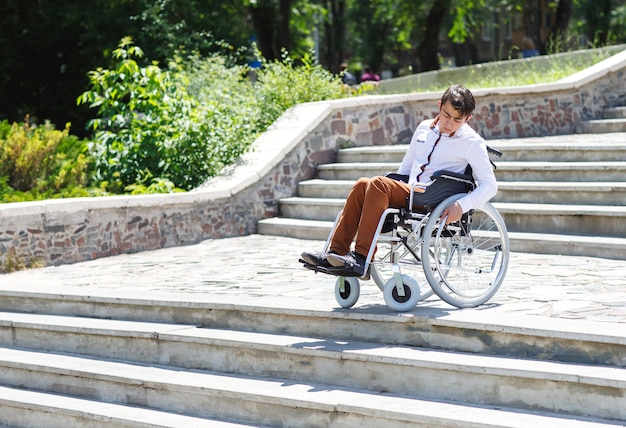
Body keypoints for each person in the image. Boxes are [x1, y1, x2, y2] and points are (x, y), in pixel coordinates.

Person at [300, 84, 497, 277]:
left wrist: (461, 205)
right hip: (411, 192)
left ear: (468, 118)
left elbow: (490, 186)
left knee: (377, 184)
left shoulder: (472, 143)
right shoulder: (423, 129)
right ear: (439, 105)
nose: (449, 123)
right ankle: (336, 252)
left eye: (457, 119)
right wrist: (385, 189)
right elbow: (405, 168)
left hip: (433, 198)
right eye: (446, 115)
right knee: (362, 184)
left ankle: (362, 258)